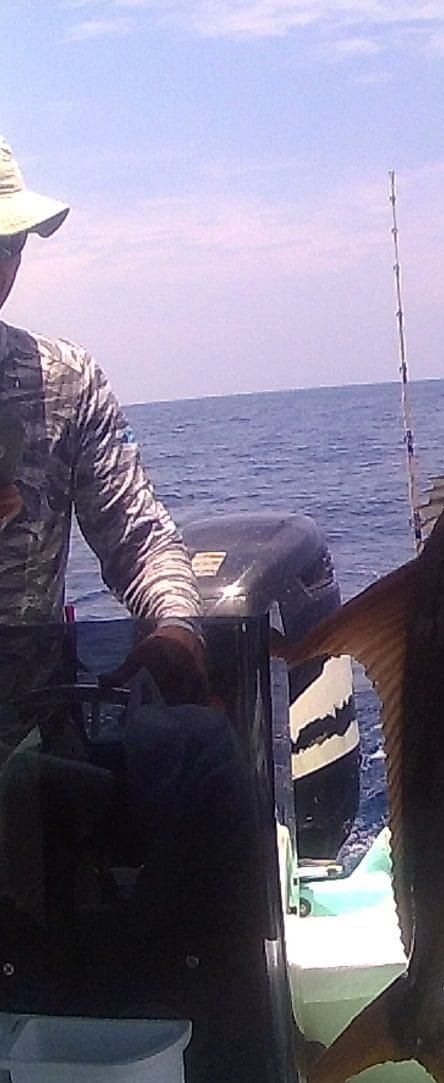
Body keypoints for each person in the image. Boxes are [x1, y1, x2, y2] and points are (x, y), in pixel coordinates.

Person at [0, 134, 206, 709]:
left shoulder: (67, 380)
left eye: (9, 243)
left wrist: (176, 624)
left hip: (31, 741)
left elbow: (138, 540)